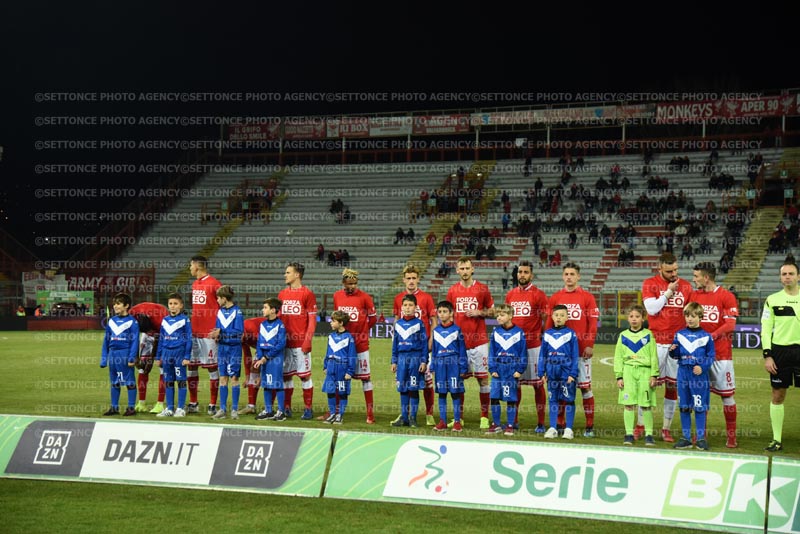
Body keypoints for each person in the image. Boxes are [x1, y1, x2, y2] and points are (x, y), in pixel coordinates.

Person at [640, 252, 694, 442]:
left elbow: (691, 314)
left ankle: (666, 428)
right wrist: (668, 292)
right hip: (655, 342)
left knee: (672, 386)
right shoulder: (650, 284)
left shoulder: (686, 286)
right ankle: (641, 425)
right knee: (648, 384)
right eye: (669, 271)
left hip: (677, 345)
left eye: (676, 270)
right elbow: (652, 309)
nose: (674, 274)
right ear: (660, 268)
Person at [545, 262, 599, 437]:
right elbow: (548, 324)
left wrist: (589, 344)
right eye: (566, 274)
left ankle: (589, 425)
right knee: (561, 387)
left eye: (572, 274)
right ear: (563, 276)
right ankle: (560, 423)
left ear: (578, 276)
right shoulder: (555, 297)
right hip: (560, 354)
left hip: (581, 351)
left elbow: (593, 323)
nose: (569, 277)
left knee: (585, 388)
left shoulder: (587, 297)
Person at [690, 262, 739, 448]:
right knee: (700, 396)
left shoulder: (726, 296)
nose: (694, 280)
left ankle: (731, 437)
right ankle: (700, 435)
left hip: (721, 355)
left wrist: (710, 337)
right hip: (699, 357)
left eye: (696, 276)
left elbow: (730, 324)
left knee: (727, 396)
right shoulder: (694, 296)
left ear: (706, 277)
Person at [446, 256, 495, 428]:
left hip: (479, 341)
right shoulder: (452, 291)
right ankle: (459, 418)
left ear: (472, 269)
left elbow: (493, 311)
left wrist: (480, 312)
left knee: (483, 380)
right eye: (462, 268)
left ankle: (484, 417)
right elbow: (448, 315)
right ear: (457, 270)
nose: (465, 271)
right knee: (459, 380)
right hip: (459, 343)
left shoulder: (482, 289)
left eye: (468, 268)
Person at [505, 260, 548, 431]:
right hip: (514, 348)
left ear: (531, 275)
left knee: (538, 385)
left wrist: (543, 337)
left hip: (533, 347)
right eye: (520, 272)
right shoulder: (510, 294)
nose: (522, 275)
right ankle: (513, 421)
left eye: (525, 272)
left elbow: (546, 318)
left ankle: (541, 423)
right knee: (515, 383)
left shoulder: (539, 294)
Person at [761, 261, 800, 452]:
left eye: (791, 273)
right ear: (780, 277)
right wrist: (767, 355)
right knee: (778, 395)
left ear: (798, 276)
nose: (787, 277)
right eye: (784, 274)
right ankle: (776, 439)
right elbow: (766, 329)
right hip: (780, 353)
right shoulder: (772, 299)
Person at [392, 265, 437, 426]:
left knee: (426, 382)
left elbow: (433, 320)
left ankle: (428, 414)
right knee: (404, 384)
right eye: (408, 278)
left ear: (418, 279)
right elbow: (396, 320)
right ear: (404, 280)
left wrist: (431, 340)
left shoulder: (426, 297)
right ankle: (405, 415)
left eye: (414, 278)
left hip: (421, 349)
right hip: (404, 350)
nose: (411, 281)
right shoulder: (398, 298)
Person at [334, 268, 378, 423]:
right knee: (340, 378)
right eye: (349, 283)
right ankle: (336, 412)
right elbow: (337, 318)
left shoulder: (365, 297)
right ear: (343, 283)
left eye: (354, 283)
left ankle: (370, 414)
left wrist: (363, 331)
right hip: (342, 346)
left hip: (360, 345)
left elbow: (373, 319)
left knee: (366, 379)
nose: (352, 286)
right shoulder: (337, 296)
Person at [669, 302, 715, 450]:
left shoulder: (707, 337)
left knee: (699, 406)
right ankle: (686, 438)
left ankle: (700, 438)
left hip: (698, 376)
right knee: (684, 406)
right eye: (687, 315)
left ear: (700, 317)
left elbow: (711, 356)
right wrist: (672, 351)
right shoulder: (679, 334)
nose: (689, 319)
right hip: (683, 373)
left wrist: (702, 367)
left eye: (693, 316)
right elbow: (675, 355)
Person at [278, 262, 317, 419]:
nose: (285, 275)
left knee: (304, 376)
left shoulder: (307, 294)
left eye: (288, 272)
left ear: (297, 275)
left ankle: (308, 408)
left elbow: (312, 320)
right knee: (286, 376)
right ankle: (287, 407)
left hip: (300, 344)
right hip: (285, 344)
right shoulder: (282, 294)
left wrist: (308, 340)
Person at [614, 305, 658, 446]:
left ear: (643, 318)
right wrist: (619, 376)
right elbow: (618, 357)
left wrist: (654, 374)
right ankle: (629, 434)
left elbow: (654, 356)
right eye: (631, 316)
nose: (634, 319)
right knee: (628, 404)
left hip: (645, 372)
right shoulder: (623, 335)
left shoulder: (648, 335)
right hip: (628, 372)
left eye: (637, 316)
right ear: (628, 318)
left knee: (646, 405)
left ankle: (649, 435)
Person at [188, 255, 222, 415]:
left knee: (212, 367)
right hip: (194, 332)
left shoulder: (215, 284)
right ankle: (193, 402)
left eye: (191, 265)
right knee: (191, 366)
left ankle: (212, 404)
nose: (190, 268)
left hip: (209, 333)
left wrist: (219, 328)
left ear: (197, 266)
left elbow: (224, 306)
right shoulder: (195, 284)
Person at [486, 304, 527, 436]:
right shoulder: (496, 332)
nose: (499, 317)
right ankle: (496, 424)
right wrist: (492, 368)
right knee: (494, 396)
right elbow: (492, 352)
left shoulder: (519, 332)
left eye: (502, 315)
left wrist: (520, 369)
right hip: (498, 369)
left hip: (511, 369)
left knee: (510, 398)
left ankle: (510, 425)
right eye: (497, 315)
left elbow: (523, 353)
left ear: (510, 316)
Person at [540, 304, 579, 439]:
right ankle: (552, 427)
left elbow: (575, 355)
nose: (559, 318)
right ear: (552, 317)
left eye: (562, 315)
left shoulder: (571, 334)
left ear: (567, 317)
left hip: (566, 372)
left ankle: (568, 429)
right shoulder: (547, 334)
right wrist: (541, 372)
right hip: (551, 372)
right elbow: (542, 354)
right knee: (553, 399)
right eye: (556, 315)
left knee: (569, 399)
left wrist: (573, 373)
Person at [430, 300, 468, 432]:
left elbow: (462, 349)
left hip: (454, 364)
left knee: (455, 393)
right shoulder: (436, 331)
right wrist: (432, 366)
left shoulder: (457, 330)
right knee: (441, 393)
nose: (441, 314)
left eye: (445, 311)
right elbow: (434, 350)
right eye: (439, 312)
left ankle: (457, 422)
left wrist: (463, 367)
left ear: (451, 313)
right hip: (440, 364)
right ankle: (443, 422)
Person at [391, 294, 428, 427]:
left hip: (415, 358)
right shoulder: (398, 324)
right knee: (403, 388)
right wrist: (393, 361)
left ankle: (413, 417)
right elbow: (395, 344)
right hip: (401, 359)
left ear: (415, 307)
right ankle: (404, 417)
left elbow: (424, 344)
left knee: (413, 388)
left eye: (410, 305)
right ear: (401, 307)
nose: (407, 308)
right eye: (405, 305)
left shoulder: (419, 324)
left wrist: (424, 361)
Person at [100, 293, 140, 416]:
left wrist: (132, 358)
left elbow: (135, 341)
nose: (115, 306)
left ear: (126, 306)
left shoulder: (133, 322)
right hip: (113, 355)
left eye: (118, 304)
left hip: (125, 354)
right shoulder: (111, 321)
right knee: (114, 382)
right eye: (114, 304)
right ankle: (114, 407)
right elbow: (106, 340)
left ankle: (131, 408)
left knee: (129, 382)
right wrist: (104, 358)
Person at [154, 293, 193, 418]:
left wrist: (187, 357)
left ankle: (180, 408)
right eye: (170, 303)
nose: (172, 306)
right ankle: (170, 408)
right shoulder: (165, 320)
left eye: (175, 304)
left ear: (181, 305)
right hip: (166, 354)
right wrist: (158, 356)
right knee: (168, 382)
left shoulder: (185, 320)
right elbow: (161, 339)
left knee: (181, 381)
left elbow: (189, 339)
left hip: (179, 354)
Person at [209, 285, 244, 419]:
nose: (217, 300)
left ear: (224, 298)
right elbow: (218, 328)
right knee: (223, 378)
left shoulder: (237, 312)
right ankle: (222, 409)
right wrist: (216, 334)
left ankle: (234, 410)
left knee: (234, 378)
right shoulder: (220, 312)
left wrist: (221, 331)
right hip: (222, 348)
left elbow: (239, 331)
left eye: (218, 298)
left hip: (234, 348)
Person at [129, 301, 169, 414]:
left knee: (162, 368)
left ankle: (160, 404)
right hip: (146, 335)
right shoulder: (132, 314)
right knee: (142, 368)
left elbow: (160, 338)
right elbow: (133, 337)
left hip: (162, 336)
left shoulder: (160, 320)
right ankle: (141, 403)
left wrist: (152, 359)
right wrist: (136, 358)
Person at [254, 297, 288, 421]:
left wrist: (267, 357)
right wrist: (259, 357)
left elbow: (281, 344)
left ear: (273, 310)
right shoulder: (262, 324)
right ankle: (268, 410)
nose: (263, 310)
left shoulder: (280, 325)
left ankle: (281, 411)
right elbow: (259, 342)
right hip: (263, 358)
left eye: (265, 307)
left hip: (275, 358)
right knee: (266, 384)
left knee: (277, 384)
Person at [321, 310, 356, 424]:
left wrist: (350, 371)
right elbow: (328, 352)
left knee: (342, 392)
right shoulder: (331, 336)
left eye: (333, 321)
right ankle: (332, 414)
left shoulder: (349, 337)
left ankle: (340, 415)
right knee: (330, 391)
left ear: (341, 323)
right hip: (331, 366)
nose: (331, 323)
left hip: (342, 368)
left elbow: (352, 355)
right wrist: (325, 366)